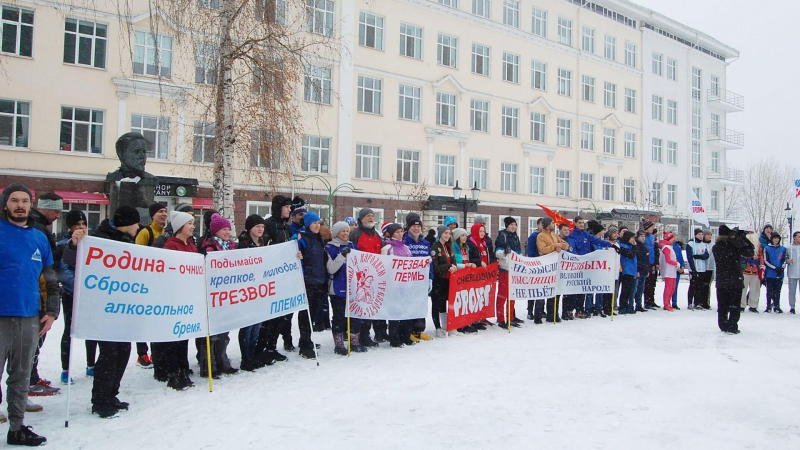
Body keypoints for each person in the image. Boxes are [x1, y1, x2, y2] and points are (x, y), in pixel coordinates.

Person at [64, 205, 140, 418]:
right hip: (104, 307)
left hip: (123, 305)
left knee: (123, 350)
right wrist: (74, 244)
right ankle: (100, 399)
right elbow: (70, 259)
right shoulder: (100, 239)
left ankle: (111, 393)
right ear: (127, 224)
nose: (138, 227)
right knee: (109, 353)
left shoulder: (125, 239)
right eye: (135, 223)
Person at [0, 184, 60, 444]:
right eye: (14, 200)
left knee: (21, 376)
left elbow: (50, 278)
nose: (20, 205)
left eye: (25, 200)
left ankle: (16, 428)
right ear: (6, 204)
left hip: (29, 317)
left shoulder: (38, 237)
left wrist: (52, 311)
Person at [56, 210, 98, 385]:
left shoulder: (92, 244)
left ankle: (91, 364)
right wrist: (79, 290)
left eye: (84, 224)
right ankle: (66, 369)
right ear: (70, 227)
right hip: (71, 295)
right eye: (77, 225)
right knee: (69, 331)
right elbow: (63, 272)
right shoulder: (62, 245)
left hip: (89, 296)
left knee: (91, 330)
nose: (81, 228)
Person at [27, 192, 63, 398]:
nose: (58, 215)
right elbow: (48, 262)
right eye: (56, 210)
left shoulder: (39, 225)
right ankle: (30, 382)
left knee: (34, 341)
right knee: (34, 341)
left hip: (39, 291)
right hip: (38, 292)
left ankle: (30, 380)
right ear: (45, 208)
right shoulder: (38, 228)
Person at [160, 211, 197, 389]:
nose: (192, 227)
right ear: (180, 227)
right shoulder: (171, 246)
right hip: (175, 297)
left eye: (193, 223)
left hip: (188, 296)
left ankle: (183, 369)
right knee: (174, 338)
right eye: (189, 223)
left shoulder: (191, 245)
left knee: (184, 337)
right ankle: (173, 372)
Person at [199, 215, 238, 377]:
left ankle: (222, 359)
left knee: (223, 331)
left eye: (229, 229)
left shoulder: (232, 247)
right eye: (224, 229)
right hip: (212, 293)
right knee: (210, 333)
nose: (228, 232)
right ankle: (209, 364)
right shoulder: (208, 247)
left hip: (227, 293)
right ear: (216, 231)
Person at [258, 195, 294, 361]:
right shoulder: (270, 225)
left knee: (280, 316)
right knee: (269, 315)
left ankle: (272, 346)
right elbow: (266, 249)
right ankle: (262, 347)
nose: (289, 210)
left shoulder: (286, 227)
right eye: (286, 207)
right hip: (271, 276)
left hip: (283, 275)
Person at [133, 202, 167, 369]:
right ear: (152, 215)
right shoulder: (145, 232)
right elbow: (138, 255)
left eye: (165, 211)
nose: (164, 214)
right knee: (143, 318)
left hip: (160, 283)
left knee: (156, 318)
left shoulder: (166, 232)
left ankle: (156, 351)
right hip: (146, 281)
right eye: (160, 211)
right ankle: (142, 353)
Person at [326, 221, 365, 355]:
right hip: (337, 286)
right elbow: (331, 269)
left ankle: (355, 341)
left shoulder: (354, 246)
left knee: (356, 315)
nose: (345, 233)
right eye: (343, 231)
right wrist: (342, 256)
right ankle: (339, 344)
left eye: (347, 231)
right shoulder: (329, 248)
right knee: (339, 316)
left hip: (353, 287)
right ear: (336, 232)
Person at [236, 214, 269, 371]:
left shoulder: (264, 243)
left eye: (262, 226)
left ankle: (253, 354)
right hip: (247, 289)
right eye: (257, 226)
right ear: (250, 228)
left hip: (260, 289)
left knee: (257, 324)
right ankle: (246, 358)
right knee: (247, 325)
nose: (260, 229)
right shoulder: (243, 245)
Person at [350, 208, 387, 346]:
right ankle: (357, 336)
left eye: (372, 216)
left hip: (374, 278)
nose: (371, 218)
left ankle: (366, 335)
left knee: (369, 308)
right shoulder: (355, 234)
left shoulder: (376, 235)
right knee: (360, 308)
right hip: (359, 278)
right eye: (367, 216)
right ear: (361, 219)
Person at [713, 226, 755, 334]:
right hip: (735, 279)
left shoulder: (716, 247)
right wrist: (742, 238)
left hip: (722, 280)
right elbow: (750, 251)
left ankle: (723, 324)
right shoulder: (735, 246)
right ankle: (732, 325)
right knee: (734, 305)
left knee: (722, 305)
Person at [568, 217, 612, 318]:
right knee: (574, 289)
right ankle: (570, 309)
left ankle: (580, 309)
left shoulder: (586, 234)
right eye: (579, 223)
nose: (581, 225)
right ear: (575, 223)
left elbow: (596, 241)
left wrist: (610, 244)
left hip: (586, 265)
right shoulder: (572, 235)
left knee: (583, 288)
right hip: (576, 265)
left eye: (583, 223)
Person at [296, 212, 325, 359]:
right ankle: (305, 344)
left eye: (318, 223)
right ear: (308, 224)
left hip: (319, 280)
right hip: (308, 281)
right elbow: (297, 256)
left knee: (313, 313)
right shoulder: (303, 239)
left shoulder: (319, 239)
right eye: (314, 223)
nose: (317, 225)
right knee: (305, 315)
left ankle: (306, 339)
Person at [381, 224, 415, 347]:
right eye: (397, 232)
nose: (400, 234)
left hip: (406, 285)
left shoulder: (406, 248)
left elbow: (412, 264)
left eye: (401, 231)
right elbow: (384, 266)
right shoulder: (388, 248)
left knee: (406, 310)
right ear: (391, 234)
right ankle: (394, 338)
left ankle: (406, 336)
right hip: (393, 285)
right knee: (394, 311)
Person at [403, 216, 434, 341]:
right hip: (408, 280)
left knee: (420, 304)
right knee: (409, 305)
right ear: (409, 228)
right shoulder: (404, 242)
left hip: (422, 280)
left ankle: (418, 330)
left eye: (418, 226)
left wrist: (430, 278)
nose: (416, 228)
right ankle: (408, 330)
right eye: (414, 226)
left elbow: (429, 262)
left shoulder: (426, 243)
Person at [537, 218, 569, 323]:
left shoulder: (555, 236)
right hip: (545, 266)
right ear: (547, 225)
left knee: (555, 291)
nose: (554, 224)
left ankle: (553, 314)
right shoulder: (541, 236)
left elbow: (566, 245)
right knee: (543, 291)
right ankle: (538, 315)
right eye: (552, 223)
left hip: (555, 267)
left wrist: (560, 245)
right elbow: (542, 249)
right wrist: (554, 246)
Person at [495, 217, 523, 328]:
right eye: (511, 224)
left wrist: (521, 260)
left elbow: (519, 252)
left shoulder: (516, 237)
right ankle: (501, 319)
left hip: (514, 269)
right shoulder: (502, 236)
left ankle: (511, 317)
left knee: (512, 295)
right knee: (503, 295)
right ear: (507, 225)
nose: (514, 227)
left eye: (515, 225)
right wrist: (504, 253)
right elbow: (497, 252)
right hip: (505, 269)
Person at [451, 228, 479, 334]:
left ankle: (465, 322)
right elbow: (454, 263)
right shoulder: (454, 247)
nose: (464, 238)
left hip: (465, 277)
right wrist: (465, 265)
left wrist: (470, 264)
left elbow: (466, 260)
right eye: (462, 236)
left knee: (465, 300)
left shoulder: (466, 247)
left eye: (465, 236)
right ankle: (458, 323)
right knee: (458, 301)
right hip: (457, 277)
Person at [431, 226, 455, 337]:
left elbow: (453, 261)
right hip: (438, 280)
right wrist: (448, 266)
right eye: (445, 233)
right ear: (440, 234)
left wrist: (453, 267)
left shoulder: (449, 247)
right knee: (436, 304)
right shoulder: (435, 247)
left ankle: (446, 325)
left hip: (448, 280)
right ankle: (437, 327)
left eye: (449, 234)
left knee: (445, 303)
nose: (447, 235)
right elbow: (435, 267)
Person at [686, 229, 711, 310]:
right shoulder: (691, 244)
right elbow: (690, 257)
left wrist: (700, 256)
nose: (701, 236)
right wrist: (693, 269)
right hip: (694, 268)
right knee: (693, 286)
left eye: (702, 234)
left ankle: (698, 302)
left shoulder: (703, 244)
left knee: (700, 287)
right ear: (695, 235)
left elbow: (706, 255)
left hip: (702, 268)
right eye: (699, 234)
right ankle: (690, 302)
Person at [763, 233, 787, 314]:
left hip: (779, 274)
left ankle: (777, 306)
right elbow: (766, 260)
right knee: (769, 290)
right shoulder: (767, 248)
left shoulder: (783, 249)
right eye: (775, 238)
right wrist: (774, 268)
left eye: (778, 238)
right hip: (770, 273)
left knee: (777, 291)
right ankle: (768, 306)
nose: (776, 240)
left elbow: (784, 259)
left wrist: (782, 268)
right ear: (772, 239)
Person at [525, 218, 543, 320]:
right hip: (535, 265)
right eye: (541, 224)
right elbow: (530, 250)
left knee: (542, 288)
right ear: (538, 225)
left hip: (543, 266)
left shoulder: (546, 235)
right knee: (533, 288)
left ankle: (541, 309)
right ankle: (530, 310)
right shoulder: (533, 236)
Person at [740, 231, 762, 313]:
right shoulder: (743, 246)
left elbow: (761, 257)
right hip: (745, 270)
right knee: (743, 289)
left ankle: (753, 305)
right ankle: (741, 305)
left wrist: (761, 267)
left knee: (755, 289)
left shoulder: (759, 247)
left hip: (756, 270)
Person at [641, 219, 660, 310]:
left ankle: (651, 300)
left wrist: (656, 262)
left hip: (652, 263)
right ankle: (646, 301)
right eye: (651, 227)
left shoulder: (653, 237)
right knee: (647, 284)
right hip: (646, 263)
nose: (653, 228)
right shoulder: (643, 236)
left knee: (653, 283)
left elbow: (655, 250)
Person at [617, 231, 638, 314]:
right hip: (626, 270)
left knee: (629, 290)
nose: (633, 240)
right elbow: (630, 255)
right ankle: (623, 306)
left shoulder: (630, 246)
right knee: (625, 290)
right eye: (632, 238)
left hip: (631, 270)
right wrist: (634, 247)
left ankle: (627, 306)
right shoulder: (623, 247)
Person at [659, 232, 679, 312]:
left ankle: (668, 303)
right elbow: (668, 260)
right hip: (668, 270)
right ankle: (666, 304)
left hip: (672, 270)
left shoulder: (670, 247)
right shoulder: (666, 247)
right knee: (669, 288)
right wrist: (676, 263)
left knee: (672, 287)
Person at [633, 230, 650, 313]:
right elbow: (637, 259)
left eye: (644, 236)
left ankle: (639, 305)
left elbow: (646, 259)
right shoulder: (636, 246)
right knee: (635, 289)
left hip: (644, 270)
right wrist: (637, 270)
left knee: (641, 289)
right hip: (638, 270)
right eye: (641, 236)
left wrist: (647, 270)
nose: (643, 238)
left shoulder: (644, 246)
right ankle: (632, 304)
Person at [670, 239, 686, 310]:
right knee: (671, 287)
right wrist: (677, 266)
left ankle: (674, 302)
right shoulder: (670, 246)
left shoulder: (678, 246)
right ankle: (668, 302)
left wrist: (682, 266)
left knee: (675, 286)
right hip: (673, 268)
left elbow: (680, 257)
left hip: (678, 267)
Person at [788, 231, 800, 314]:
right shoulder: (789, 248)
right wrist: (788, 261)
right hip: (792, 273)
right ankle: (792, 307)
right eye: (799, 236)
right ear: (794, 237)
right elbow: (784, 260)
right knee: (792, 291)